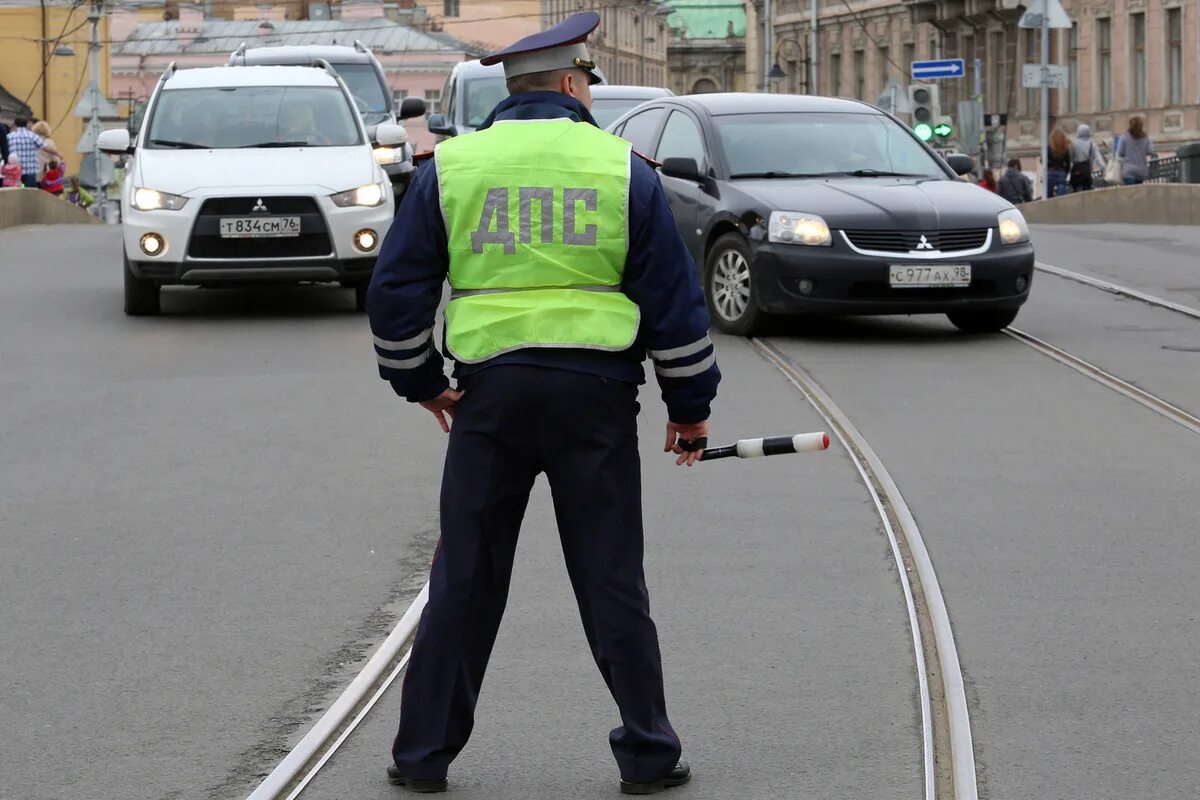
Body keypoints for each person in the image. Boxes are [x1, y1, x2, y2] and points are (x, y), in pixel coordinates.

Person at [368, 11, 718, 796]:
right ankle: (649, 754)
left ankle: (422, 757)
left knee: (465, 576)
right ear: (570, 84)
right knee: (610, 576)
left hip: (488, 397)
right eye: (586, 84)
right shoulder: (623, 169)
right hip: (594, 398)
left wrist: (422, 382)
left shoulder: (452, 168)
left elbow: (395, 295)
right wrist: (689, 407)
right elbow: (673, 302)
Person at [6, 117, 62, 189]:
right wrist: (58, 154)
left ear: (15, 125)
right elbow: (45, 147)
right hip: (30, 172)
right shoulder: (32, 136)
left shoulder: (9, 136)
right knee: (30, 194)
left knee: (18, 193)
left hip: (15, 172)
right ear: (26, 125)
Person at [1117, 116, 1155, 186]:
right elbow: (1150, 151)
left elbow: (1120, 153)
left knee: (1130, 193)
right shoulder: (1146, 138)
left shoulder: (1124, 137)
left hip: (1128, 171)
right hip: (1141, 171)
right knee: (1138, 193)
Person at [1069, 123, 1105, 192]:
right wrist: (1103, 169)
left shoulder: (1073, 144)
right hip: (1087, 173)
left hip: (1076, 173)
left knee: (1075, 192)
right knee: (1087, 192)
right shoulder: (1092, 144)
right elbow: (1099, 160)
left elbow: (1070, 158)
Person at [1047, 128, 1071, 197]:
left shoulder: (1049, 148)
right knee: (1062, 187)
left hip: (1050, 172)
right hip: (1061, 172)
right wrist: (1065, 173)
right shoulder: (1065, 148)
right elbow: (1068, 163)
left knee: (1048, 193)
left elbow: (1044, 161)